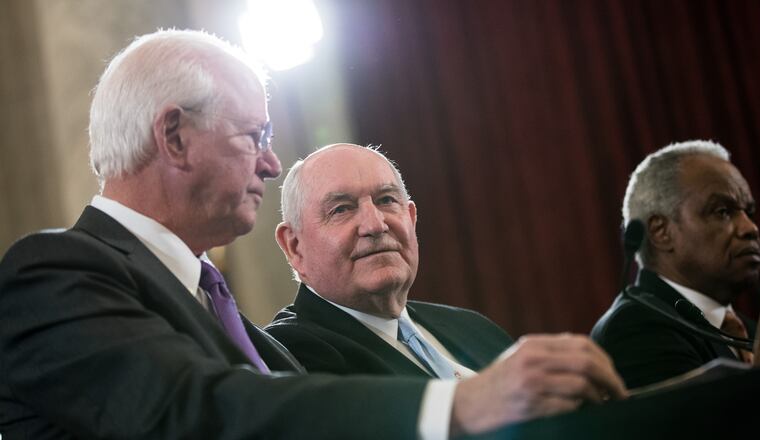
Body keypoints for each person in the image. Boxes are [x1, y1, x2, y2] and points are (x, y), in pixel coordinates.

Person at [0, 29, 626, 440]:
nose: (271, 165)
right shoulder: (52, 273)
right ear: (174, 138)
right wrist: (458, 405)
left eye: (388, 201)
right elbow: (197, 412)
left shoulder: (220, 312)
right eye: (256, 137)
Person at [266, 144, 514, 378]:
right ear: (294, 247)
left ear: (411, 219)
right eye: (341, 209)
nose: (375, 225)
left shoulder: (471, 325)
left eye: (386, 200)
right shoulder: (287, 355)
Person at [591, 140, 760, 389]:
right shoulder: (638, 330)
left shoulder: (751, 330)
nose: (750, 228)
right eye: (722, 211)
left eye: (749, 212)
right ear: (661, 232)